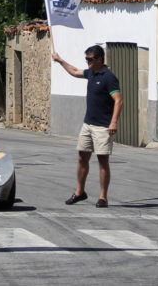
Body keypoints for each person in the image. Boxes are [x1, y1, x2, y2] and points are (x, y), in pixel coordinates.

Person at [52, 45, 122, 208]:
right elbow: (75, 71)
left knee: (102, 160)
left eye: (90, 59)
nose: (88, 62)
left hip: (103, 126)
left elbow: (119, 100)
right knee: (82, 157)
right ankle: (79, 192)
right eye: (86, 59)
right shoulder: (91, 73)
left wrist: (113, 122)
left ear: (100, 59)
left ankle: (103, 197)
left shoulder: (108, 77)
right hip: (88, 124)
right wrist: (60, 61)